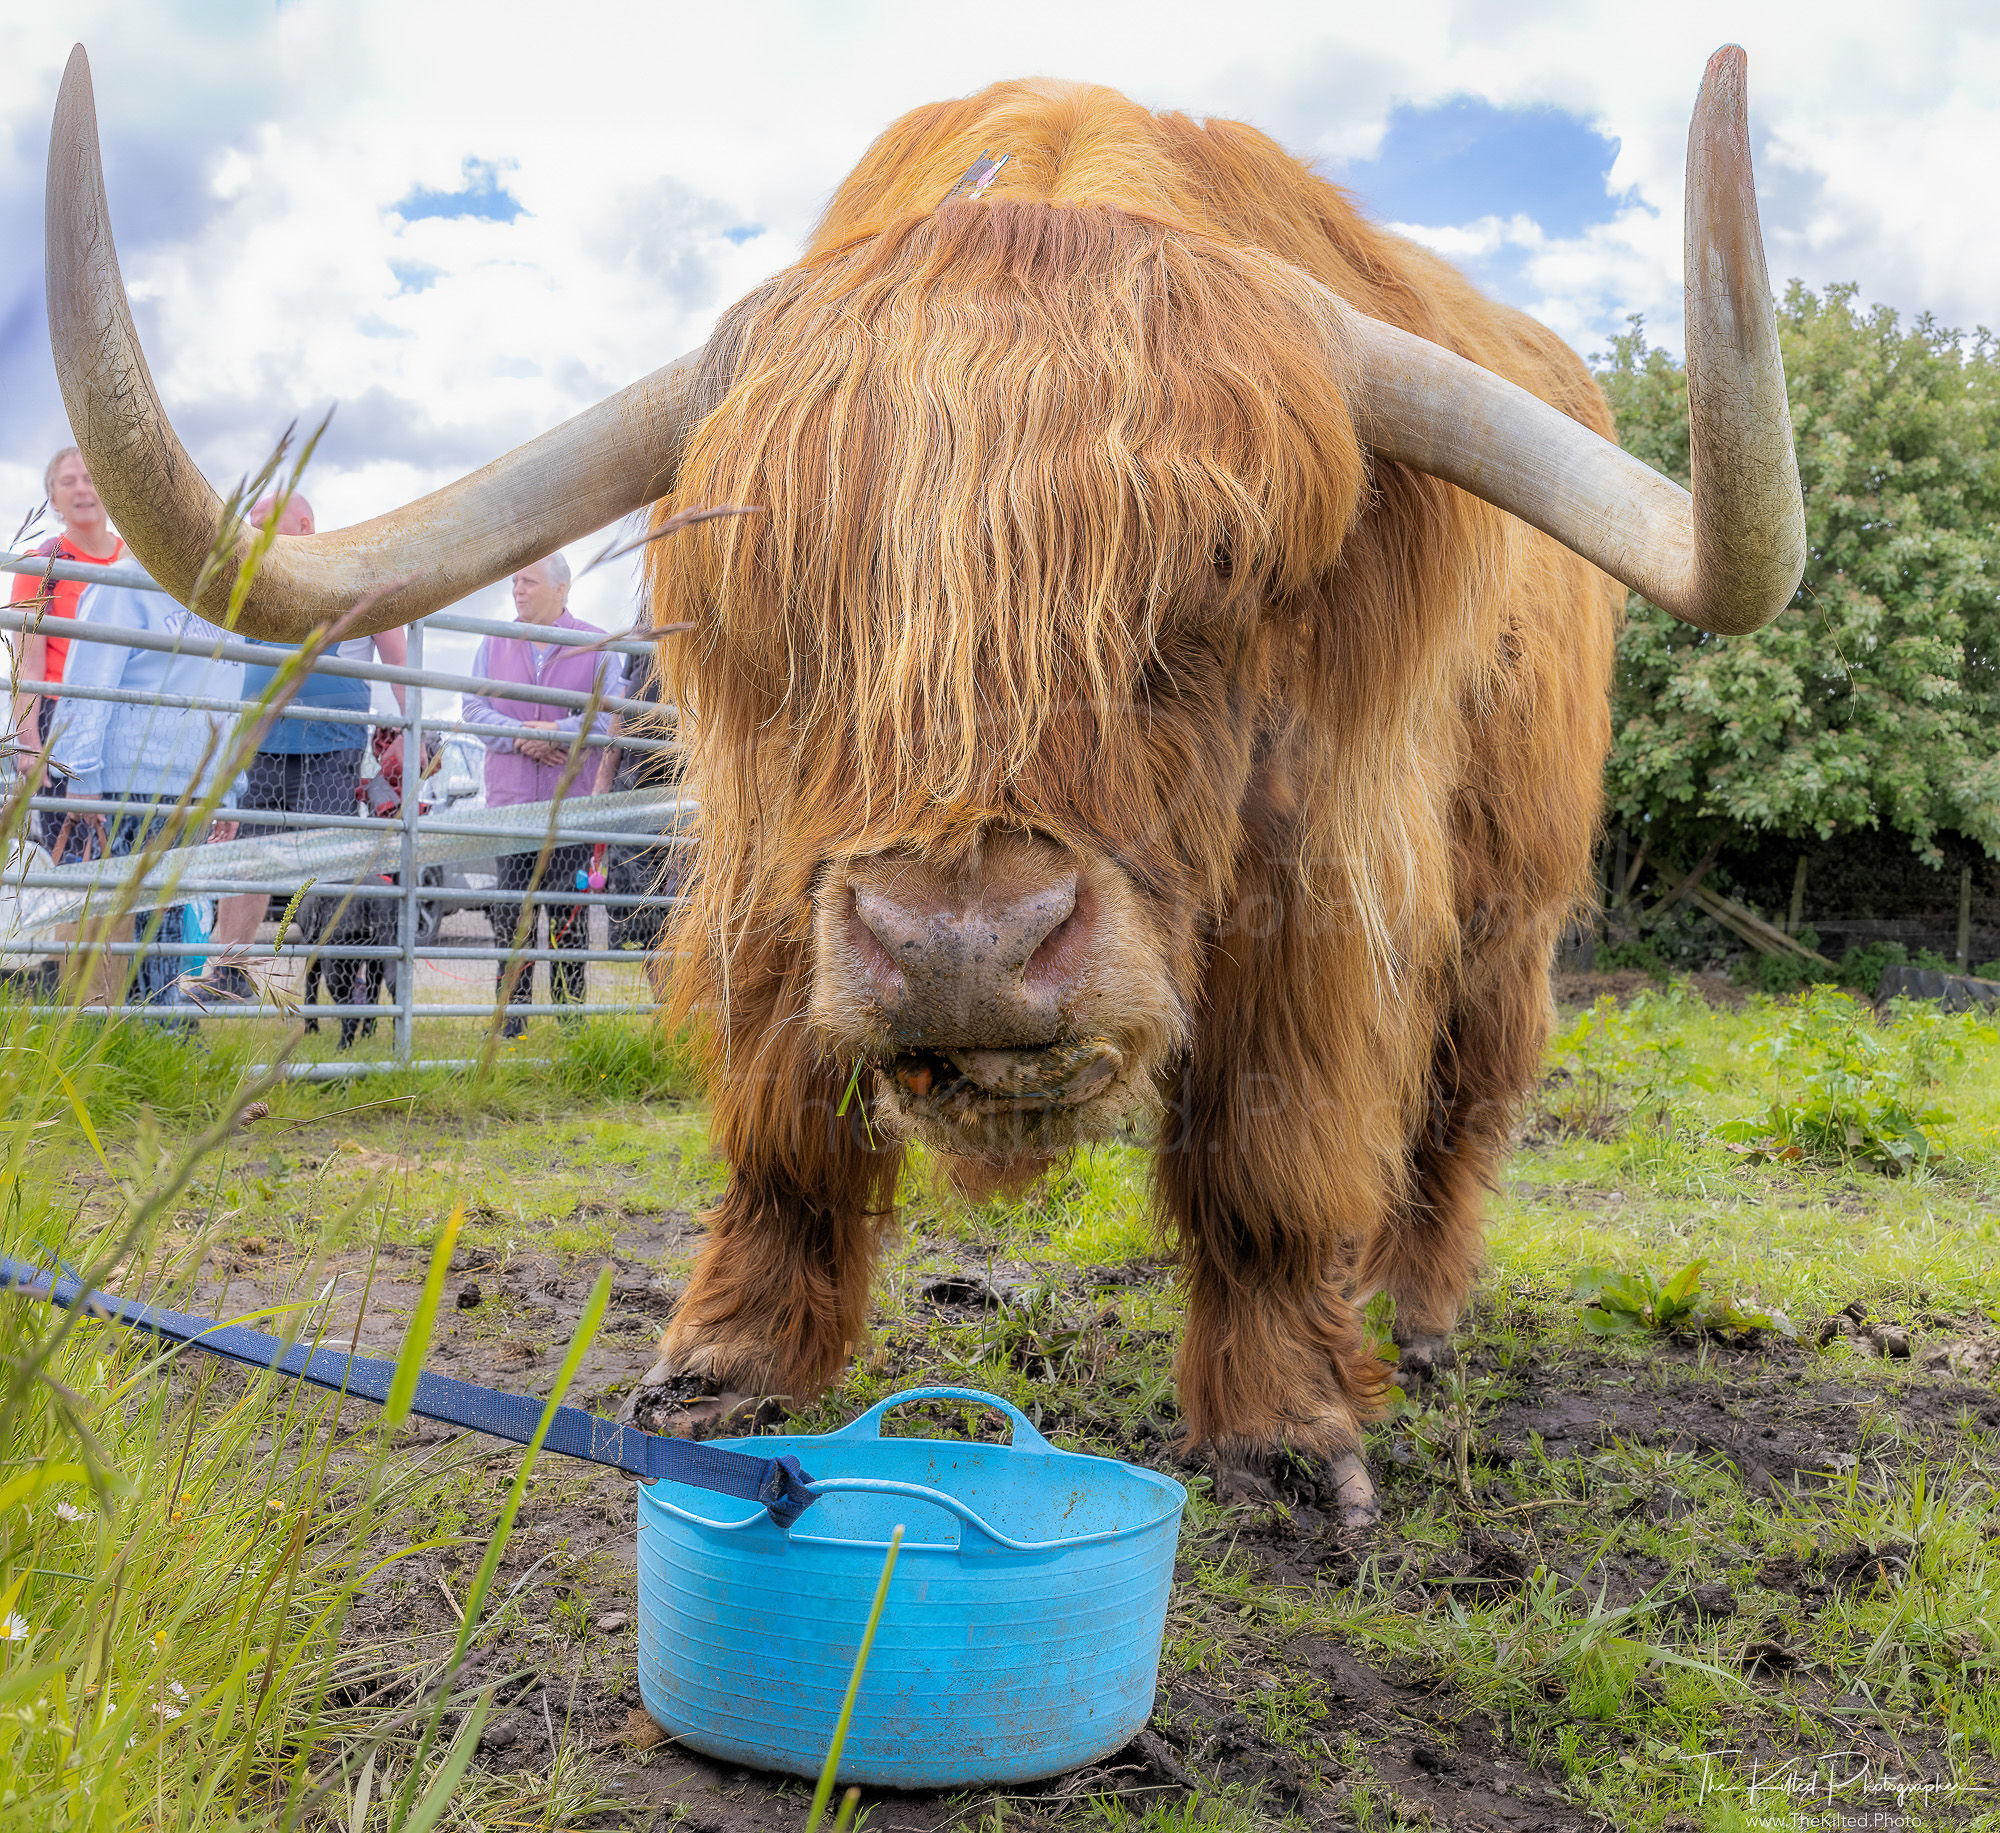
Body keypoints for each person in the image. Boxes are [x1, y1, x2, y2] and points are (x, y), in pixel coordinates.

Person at [208, 493, 408, 994]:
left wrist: (414, 730)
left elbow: (401, 663)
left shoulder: (353, 576)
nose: (256, 533)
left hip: (331, 745)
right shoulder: (248, 584)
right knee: (247, 857)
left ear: (305, 525)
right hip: (257, 746)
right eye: (252, 524)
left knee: (328, 863)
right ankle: (230, 972)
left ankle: (343, 981)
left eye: (267, 522)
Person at [52, 577, 246, 1013]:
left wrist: (228, 789)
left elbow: (229, 698)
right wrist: (81, 776)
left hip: (195, 788)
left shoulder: (227, 590)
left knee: (169, 912)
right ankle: (120, 1022)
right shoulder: (122, 584)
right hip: (131, 781)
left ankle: (157, 1021)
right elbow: (89, 678)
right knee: (127, 911)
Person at [461, 553, 613, 1036]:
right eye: (514, 582)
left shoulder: (596, 644)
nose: (517, 590)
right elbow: (473, 709)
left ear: (560, 589)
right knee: (512, 917)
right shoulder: (494, 639)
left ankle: (571, 1024)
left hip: (570, 809)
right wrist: (523, 736)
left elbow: (608, 718)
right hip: (511, 807)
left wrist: (557, 733)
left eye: (527, 581)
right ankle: (510, 1023)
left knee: (568, 918)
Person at [9, 448, 128, 857]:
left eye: (91, 478)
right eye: (68, 481)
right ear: (53, 498)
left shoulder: (135, 560)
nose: (82, 489)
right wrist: (29, 744)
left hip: (128, 716)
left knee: (133, 844)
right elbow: (27, 663)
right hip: (63, 719)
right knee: (76, 854)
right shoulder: (42, 563)